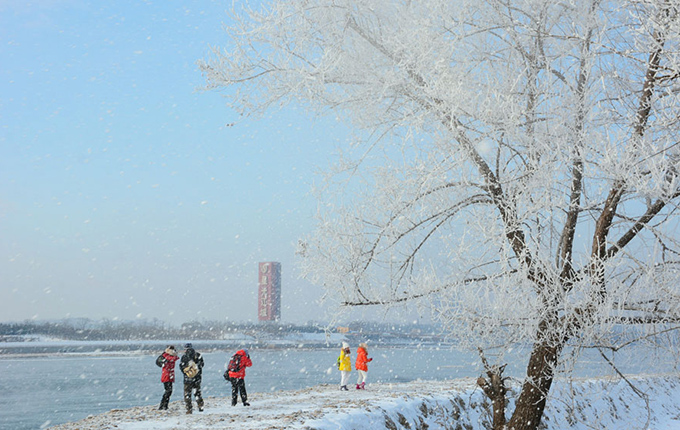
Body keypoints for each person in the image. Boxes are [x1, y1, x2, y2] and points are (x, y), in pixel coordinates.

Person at [179, 342, 205, 414]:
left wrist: (186, 372)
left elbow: (181, 367)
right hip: (197, 378)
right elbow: (202, 365)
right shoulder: (198, 355)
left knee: (187, 394)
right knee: (197, 393)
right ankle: (200, 406)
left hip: (188, 379)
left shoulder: (184, 357)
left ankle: (189, 409)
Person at [157, 345, 179, 410]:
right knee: (168, 391)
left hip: (168, 375)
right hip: (167, 376)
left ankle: (164, 405)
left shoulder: (166, 355)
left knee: (168, 391)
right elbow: (174, 358)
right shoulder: (167, 356)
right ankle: (163, 405)